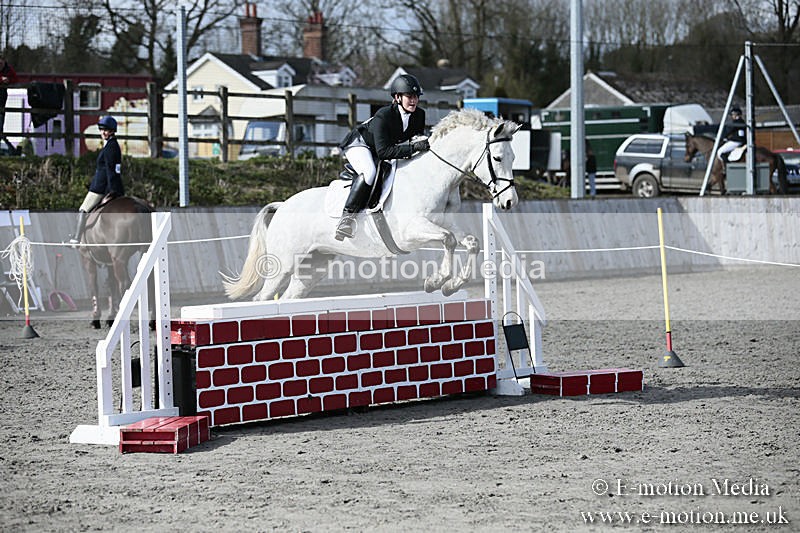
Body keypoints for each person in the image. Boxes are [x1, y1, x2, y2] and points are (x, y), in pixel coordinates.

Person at [335, 73, 430, 240]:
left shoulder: (419, 115)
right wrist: (413, 148)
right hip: (361, 144)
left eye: (416, 96)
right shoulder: (384, 115)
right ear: (398, 97)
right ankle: (347, 219)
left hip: (384, 146)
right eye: (409, 96)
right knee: (370, 171)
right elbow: (384, 152)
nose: (414, 100)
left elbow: (416, 138)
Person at [69, 116, 124, 244]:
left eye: (107, 130)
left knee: (83, 209)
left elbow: (111, 170)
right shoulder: (112, 145)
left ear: (112, 131)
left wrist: (113, 190)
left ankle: (76, 238)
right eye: (101, 129)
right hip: (105, 184)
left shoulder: (110, 147)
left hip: (100, 187)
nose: (103, 132)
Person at [0, 54, 19, 136]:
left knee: (1, 116)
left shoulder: (8, 69)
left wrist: (9, 80)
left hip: (2, 97)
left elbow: (16, 79)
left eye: (1, 63)